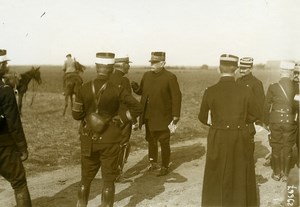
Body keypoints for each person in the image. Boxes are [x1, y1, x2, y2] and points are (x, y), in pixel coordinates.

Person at [72, 52, 142, 207]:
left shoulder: (83, 88)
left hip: (88, 139)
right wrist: (123, 118)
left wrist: (89, 116)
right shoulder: (117, 89)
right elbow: (137, 107)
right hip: (111, 140)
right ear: (111, 68)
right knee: (108, 180)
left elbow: (76, 115)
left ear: (97, 67)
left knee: (85, 180)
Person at [198, 54, 259, 206]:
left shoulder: (210, 91)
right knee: (239, 172)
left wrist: (217, 123)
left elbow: (202, 117)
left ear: (219, 69)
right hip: (240, 135)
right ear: (237, 70)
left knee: (216, 171)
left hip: (217, 136)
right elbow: (255, 114)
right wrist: (241, 121)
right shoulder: (245, 90)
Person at [131, 51, 182, 176]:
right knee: (151, 140)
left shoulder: (170, 77)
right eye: (151, 62)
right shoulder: (147, 75)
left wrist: (176, 115)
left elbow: (176, 97)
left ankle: (164, 166)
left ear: (163, 63)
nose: (152, 64)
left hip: (163, 116)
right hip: (148, 115)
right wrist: (136, 88)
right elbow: (142, 92)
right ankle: (153, 162)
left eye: (155, 62)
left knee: (164, 141)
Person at [0, 49, 32, 206]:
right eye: (4, 63)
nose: (6, 67)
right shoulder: (5, 90)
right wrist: (22, 148)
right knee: (19, 183)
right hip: (3, 147)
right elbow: (14, 124)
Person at [262, 60, 297, 182]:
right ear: (291, 72)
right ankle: (286, 174)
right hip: (289, 120)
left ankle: (276, 173)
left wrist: (265, 122)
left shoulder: (273, 86)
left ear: (281, 72)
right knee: (287, 146)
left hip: (275, 120)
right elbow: (297, 106)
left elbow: (266, 106)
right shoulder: (296, 87)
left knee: (276, 145)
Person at [109, 56, 137, 182]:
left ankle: (109, 171)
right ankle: (118, 173)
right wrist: (134, 120)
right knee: (123, 144)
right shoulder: (124, 81)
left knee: (111, 144)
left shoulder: (108, 78)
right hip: (123, 118)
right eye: (127, 64)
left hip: (109, 118)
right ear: (121, 65)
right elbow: (130, 103)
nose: (129, 66)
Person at [236, 57, 265, 153]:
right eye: (240, 67)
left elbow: (260, 104)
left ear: (251, 68)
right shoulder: (238, 81)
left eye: (245, 68)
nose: (242, 70)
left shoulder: (256, 83)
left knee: (248, 146)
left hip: (248, 121)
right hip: (237, 120)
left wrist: (252, 119)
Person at [292, 63, 299, 166]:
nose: (296, 75)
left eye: (299, 73)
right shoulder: (290, 85)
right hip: (292, 115)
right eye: (295, 73)